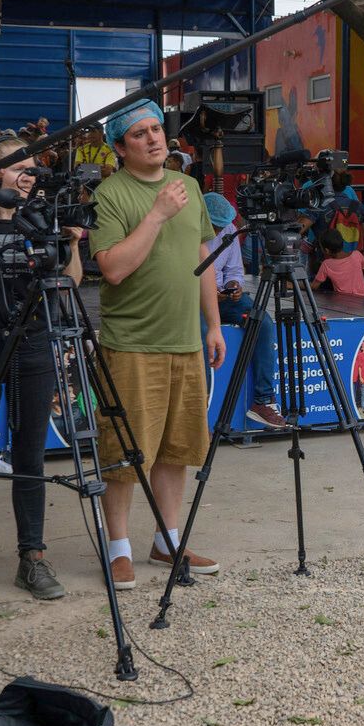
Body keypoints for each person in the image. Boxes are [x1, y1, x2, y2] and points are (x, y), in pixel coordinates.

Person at [0, 134, 84, 614]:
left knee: (30, 456)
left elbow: (68, 285)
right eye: (18, 166)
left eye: (32, 167)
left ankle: (33, 559)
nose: (28, 175)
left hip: (32, 346)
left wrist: (70, 244)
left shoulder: (40, 217)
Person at [91, 100, 224, 589]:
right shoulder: (109, 194)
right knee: (126, 452)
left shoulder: (188, 185)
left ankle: (168, 541)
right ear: (120, 147)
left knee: (175, 448)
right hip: (132, 345)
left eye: (155, 129)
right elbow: (112, 269)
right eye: (139, 133)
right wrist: (157, 214)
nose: (153, 138)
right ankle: (119, 548)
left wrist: (213, 325)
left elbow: (201, 255)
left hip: (185, 342)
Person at [202, 192, 286, 428]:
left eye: (222, 226)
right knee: (200, 334)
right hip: (193, 300)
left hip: (223, 298)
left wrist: (233, 286)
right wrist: (207, 293)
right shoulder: (186, 232)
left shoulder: (229, 230)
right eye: (215, 226)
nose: (219, 231)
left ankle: (263, 400)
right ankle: (200, 411)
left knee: (262, 322)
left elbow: (234, 270)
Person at [313, 228, 364, 296]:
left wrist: (301, 284)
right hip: (363, 298)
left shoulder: (326, 264)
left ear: (327, 250)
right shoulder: (357, 254)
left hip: (343, 300)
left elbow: (314, 286)